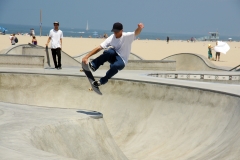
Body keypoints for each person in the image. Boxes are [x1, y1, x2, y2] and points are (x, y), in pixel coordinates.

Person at [82, 22, 144, 87]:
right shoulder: (111, 37)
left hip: (122, 60)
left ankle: (101, 81)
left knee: (115, 66)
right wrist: (87, 56)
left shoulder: (127, 36)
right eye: (114, 31)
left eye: (117, 32)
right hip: (113, 56)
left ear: (121, 31)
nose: (115, 33)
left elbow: (136, 33)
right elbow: (99, 47)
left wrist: (139, 28)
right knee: (109, 52)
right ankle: (94, 65)